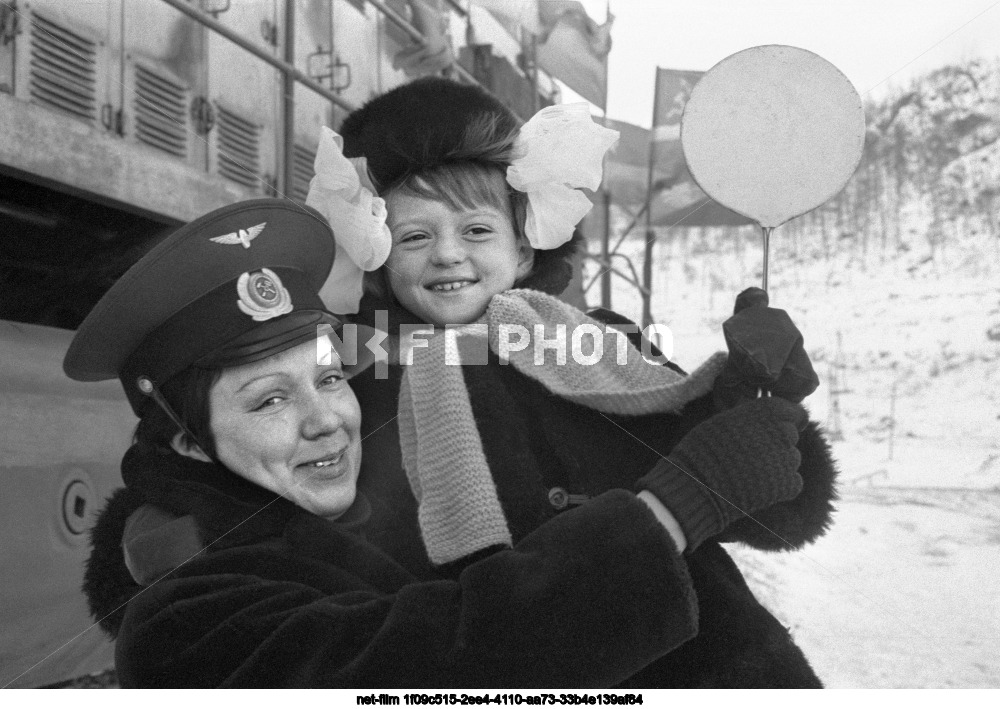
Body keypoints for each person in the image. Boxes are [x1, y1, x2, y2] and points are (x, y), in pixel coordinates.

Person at [73, 198, 811, 688]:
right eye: (268, 398)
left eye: (329, 378)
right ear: (187, 441)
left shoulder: (403, 469)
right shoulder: (182, 627)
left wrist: (737, 402)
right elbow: (439, 661)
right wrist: (671, 510)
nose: (327, 418)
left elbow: (771, 503)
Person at [316, 77, 838, 687]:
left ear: (526, 247)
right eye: (414, 236)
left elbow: (781, 517)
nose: (447, 255)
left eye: (477, 230)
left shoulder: (603, 348)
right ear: (373, 252)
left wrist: (754, 402)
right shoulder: (349, 391)